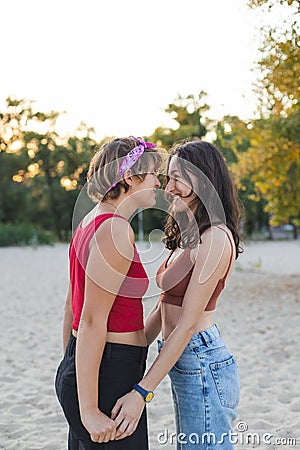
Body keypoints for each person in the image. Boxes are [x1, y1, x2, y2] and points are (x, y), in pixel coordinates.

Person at [111, 139, 243, 450]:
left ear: (204, 180)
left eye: (177, 178)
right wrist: (125, 349)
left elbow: (186, 324)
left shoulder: (216, 238)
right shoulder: (188, 235)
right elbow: (163, 306)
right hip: (181, 357)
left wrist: (142, 392)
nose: (168, 188)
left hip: (201, 358)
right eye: (167, 178)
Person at [55, 136, 162, 449]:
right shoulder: (114, 229)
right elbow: (89, 319)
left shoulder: (89, 222)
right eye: (154, 173)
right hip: (108, 374)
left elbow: (70, 309)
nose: (158, 181)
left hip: (93, 367)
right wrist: (88, 407)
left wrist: (72, 366)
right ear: (130, 178)